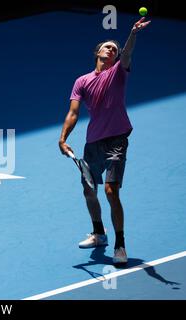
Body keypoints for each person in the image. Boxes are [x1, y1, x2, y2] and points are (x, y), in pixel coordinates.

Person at [58, 17, 151, 264]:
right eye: (107, 46)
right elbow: (74, 112)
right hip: (93, 143)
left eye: (115, 48)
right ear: (97, 52)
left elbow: (128, 51)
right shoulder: (82, 81)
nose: (113, 49)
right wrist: (63, 138)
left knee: (111, 191)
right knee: (89, 190)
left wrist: (133, 33)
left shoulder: (119, 72)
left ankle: (120, 245)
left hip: (117, 140)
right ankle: (99, 233)